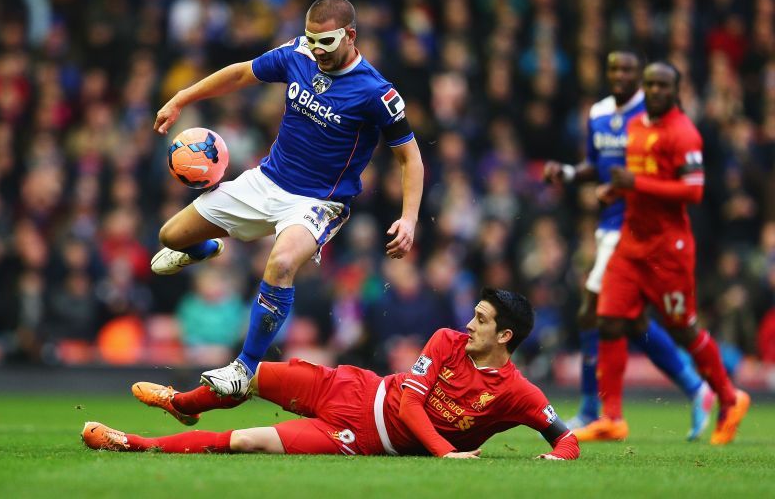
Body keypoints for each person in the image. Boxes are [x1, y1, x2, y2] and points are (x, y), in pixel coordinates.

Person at [149, 0, 424, 397]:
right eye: (312, 39)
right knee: (171, 236)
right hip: (266, 180)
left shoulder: (377, 93)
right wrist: (181, 98)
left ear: (350, 36)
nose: (317, 49)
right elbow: (241, 74)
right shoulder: (298, 53)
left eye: (326, 41)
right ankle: (207, 248)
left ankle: (244, 367)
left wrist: (410, 217)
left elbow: (409, 158)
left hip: (318, 202)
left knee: (280, 263)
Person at [82, 289, 579, 460]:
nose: (470, 324)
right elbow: (409, 402)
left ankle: (134, 444)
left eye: (482, 320)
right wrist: (448, 454)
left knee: (245, 442)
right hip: (354, 386)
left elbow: (567, 438)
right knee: (249, 376)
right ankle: (182, 404)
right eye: (473, 315)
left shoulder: (517, 393)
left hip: (355, 435)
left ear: (506, 337)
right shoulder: (447, 342)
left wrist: (558, 459)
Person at [572, 62, 750, 445]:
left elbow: (693, 191)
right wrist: (616, 191)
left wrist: (637, 183)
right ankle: (612, 418)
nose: (655, 91)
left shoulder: (683, 134)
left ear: (676, 91)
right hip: (631, 244)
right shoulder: (637, 127)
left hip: (669, 251)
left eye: (663, 85)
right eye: (650, 84)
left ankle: (730, 397)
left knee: (684, 330)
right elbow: (638, 180)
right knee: (608, 321)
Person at [543, 51, 713, 440]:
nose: (620, 76)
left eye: (628, 71)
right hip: (608, 224)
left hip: (636, 227)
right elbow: (597, 164)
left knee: (592, 311)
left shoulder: (649, 116)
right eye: (613, 69)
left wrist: (626, 187)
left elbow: (653, 172)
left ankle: (591, 409)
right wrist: (569, 173)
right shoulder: (599, 112)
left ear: (641, 77)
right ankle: (696, 387)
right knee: (628, 321)